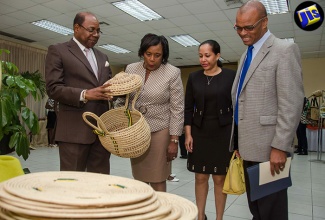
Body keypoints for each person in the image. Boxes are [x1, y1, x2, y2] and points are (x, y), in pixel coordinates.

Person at [230, 1, 304, 219]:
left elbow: (291, 103)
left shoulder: (284, 50)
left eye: (249, 27)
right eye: (238, 28)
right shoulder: (245, 55)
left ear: (265, 22)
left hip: (270, 150)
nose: (243, 33)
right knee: (257, 209)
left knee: (272, 211)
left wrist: (280, 147)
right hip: (247, 147)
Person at [45, 12, 113, 174]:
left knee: (100, 180)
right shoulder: (59, 51)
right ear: (76, 28)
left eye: (98, 31)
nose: (96, 35)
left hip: (101, 133)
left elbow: (106, 86)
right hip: (74, 132)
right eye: (91, 30)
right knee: (72, 182)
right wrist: (85, 94)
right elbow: (53, 88)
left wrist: (117, 89)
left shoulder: (102, 56)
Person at [125, 33, 184, 192]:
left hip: (160, 130)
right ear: (142, 52)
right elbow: (125, 98)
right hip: (137, 130)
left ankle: (160, 213)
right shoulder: (131, 69)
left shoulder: (172, 73)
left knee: (158, 178)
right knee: (140, 178)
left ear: (163, 55)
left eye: (157, 55)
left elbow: (177, 108)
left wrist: (174, 140)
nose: (152, 59)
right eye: (148, 54)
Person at [184, 40, 235, 220]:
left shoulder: (230, 76)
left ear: (217, 56)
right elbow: (188, 108)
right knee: (200, 177)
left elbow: (237, 107)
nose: (203, 59)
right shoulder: (194, 77)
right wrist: (188, 134)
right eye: (200, 56)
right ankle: (200, 217)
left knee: (219, 179)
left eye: (207, 55)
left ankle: (219, 218)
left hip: (223, 132)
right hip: (199, 132)